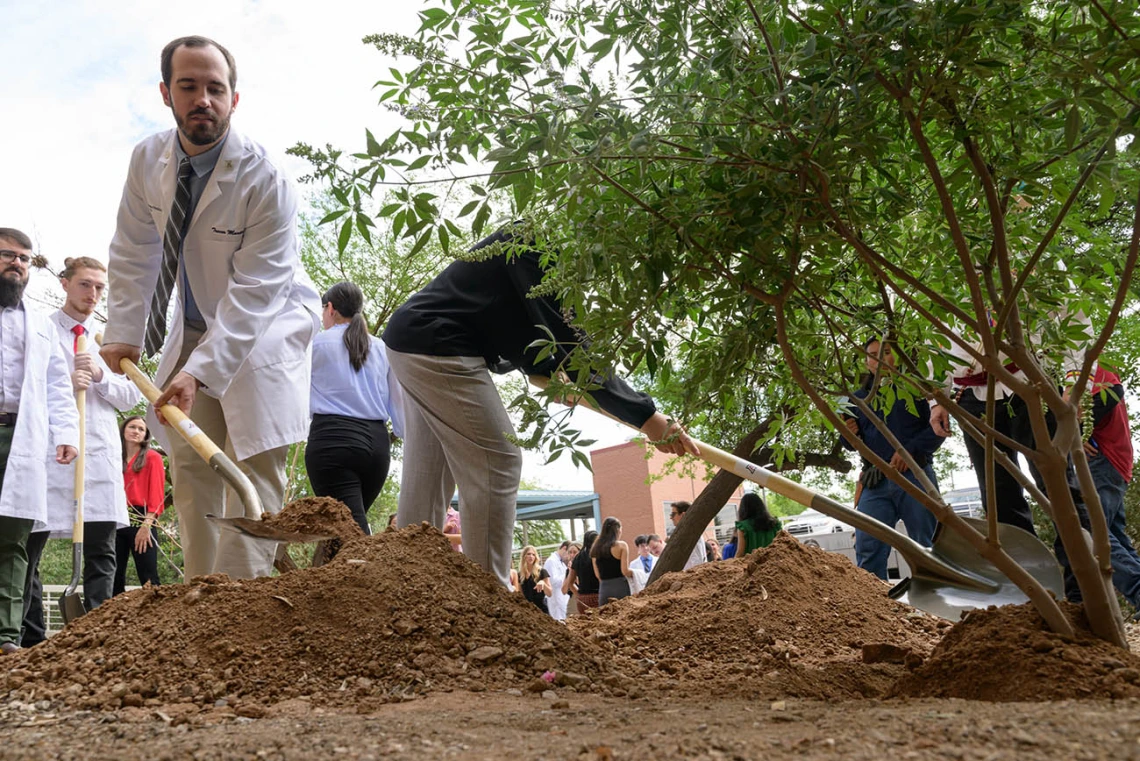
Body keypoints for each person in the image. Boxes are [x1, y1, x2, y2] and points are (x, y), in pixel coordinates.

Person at [100, 36, 321, 580]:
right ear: (166, 93)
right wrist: (124, 329)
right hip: (193, 329)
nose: (203, 99)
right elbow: (134, 249)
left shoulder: (265, 177)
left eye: (215, 88)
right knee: (194, 471)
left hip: (265, 329)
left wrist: (200, 371)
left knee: (252, 471)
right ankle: (202, 603)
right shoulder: (147, 159)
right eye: (189, 86)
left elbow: (257, 291)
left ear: (234, 99)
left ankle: (244, 612)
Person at [382, 226, 698, 588]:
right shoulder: (537, 246)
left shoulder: (537, 260)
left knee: (431, 472)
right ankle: (489, 601)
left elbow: (537, 344)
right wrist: (649, 418)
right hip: (436, 342)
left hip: (411, 340)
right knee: (496, 461)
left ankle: (404, 585)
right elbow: (575, 347)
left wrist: (552, 376)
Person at [21, 258, 140, 646]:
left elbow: (132, 396)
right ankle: (32, 637)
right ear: (65, 284)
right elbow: (20, 383)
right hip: (52, 453)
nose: (93, 295)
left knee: (101, 550)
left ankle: (96, 638)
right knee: (30, 547)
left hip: (99, 455)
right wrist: (63, 380)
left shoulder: (109, 341)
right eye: (85, 285)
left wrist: (103, 375)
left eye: (99, 289)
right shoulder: (39, 331)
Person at [0, 228, 79, 655]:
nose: (18, 264)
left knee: (12, 541)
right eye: (8, 255)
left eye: (25, 259)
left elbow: (56, 386)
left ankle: (5, 639)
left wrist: (66, 434)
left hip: (21, 438)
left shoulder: (41, 327)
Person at [306, 282, 403, 536]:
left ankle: (373, 575)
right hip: (377, 449)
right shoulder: (382, 348)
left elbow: (294, 391)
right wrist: (404, 433)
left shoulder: (315, 344)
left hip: (333, 443)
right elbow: (398, 403)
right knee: (342, 530)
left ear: (329, 308)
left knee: (349, 533)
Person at [845, 339, 942, 580]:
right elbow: (849, 443)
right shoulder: (856, 400)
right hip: (875, 481)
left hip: (916, 476)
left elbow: (938, 428)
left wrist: (909, 451)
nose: (878, 360)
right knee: (868, 548)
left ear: (897, 357)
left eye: (885, 353)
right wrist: (847, 432)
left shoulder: (919, 390)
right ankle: (877, 610)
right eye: (873, 355)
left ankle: (936, 604)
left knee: (926, 546)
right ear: (867, 362)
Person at [1079, 365, 1140, 615]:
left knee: (1095, 532)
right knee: (1114, 534)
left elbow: (1113, 390)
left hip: (1105, 461)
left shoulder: (1090, 369)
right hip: (1114, 463)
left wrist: (1078, 431)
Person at [114, 416, 167, 595]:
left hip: (142, 517)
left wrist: (146, 525)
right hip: (117, 516)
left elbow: (157, 494)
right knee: (114, 574)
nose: (136, 431)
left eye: (141, 429)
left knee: (148, 575)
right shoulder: (114, 456)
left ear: (145, 435)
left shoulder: (153, 458)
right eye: (132, 427)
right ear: (123, 430)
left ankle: (157, 616)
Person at [591, 517, 632, 605]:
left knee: (605, 617)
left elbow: (597, 575)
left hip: (604, 589)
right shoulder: (622, 545)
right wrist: (637, 573)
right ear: (617, 530)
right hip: (620, 586)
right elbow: (625, 571)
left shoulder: (595, 548)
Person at [733, 492, 780, 557]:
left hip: (752, 564)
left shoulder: (743, 527)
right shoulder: (775, 524)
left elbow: (740, 552)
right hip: (774, 562)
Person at [564, 530, 599, 613]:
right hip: (598, 597)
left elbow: (570, 583)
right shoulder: (596, 556)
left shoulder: (577, 558)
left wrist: (579, 595)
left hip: (582, 599)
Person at [669, 501, 708, 571]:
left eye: (673, 514)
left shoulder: (691, 532)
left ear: (683, 515)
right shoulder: (686, 531)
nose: (671, 518)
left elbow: (697, 559)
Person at [516, 545, 551, 613]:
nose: (531, 556)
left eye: (533, 554)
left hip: (541, 610)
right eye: (528, 554)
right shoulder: (519, 575)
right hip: (528, 611)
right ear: (524, 556)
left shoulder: (542, 572)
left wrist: (543, 584)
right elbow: (520, 595)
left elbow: (550, 593)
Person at [544, 541, 571, 621]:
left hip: (563, 599)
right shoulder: (551, 561)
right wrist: (567, 575)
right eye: (569, 553)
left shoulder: (561, 562)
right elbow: (553, 581)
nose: (568, 556)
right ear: (564, 548)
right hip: (556, 599)